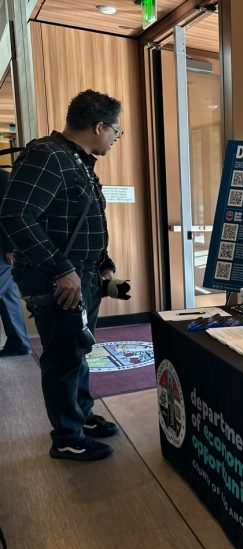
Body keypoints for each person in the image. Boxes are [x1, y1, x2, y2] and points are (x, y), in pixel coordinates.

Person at [0, 89, 123, 461]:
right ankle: (67, 437)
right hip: (57, 280)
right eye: (116, 131)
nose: (117, 138)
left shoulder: (76, 159)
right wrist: (63, 269)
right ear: (98, 125)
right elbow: (15, 215)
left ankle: (81, 416)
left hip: (81, 276)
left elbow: (75, 220)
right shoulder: (47, 155)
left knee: (78, 351)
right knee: (62, 358)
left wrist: (102, 261)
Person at [0, 169, 32, 357]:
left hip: (4, 248)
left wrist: (12, 247)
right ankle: (19, 343)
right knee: (8, 296)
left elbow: (12, 214)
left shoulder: (3, 178)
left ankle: (19, 343)